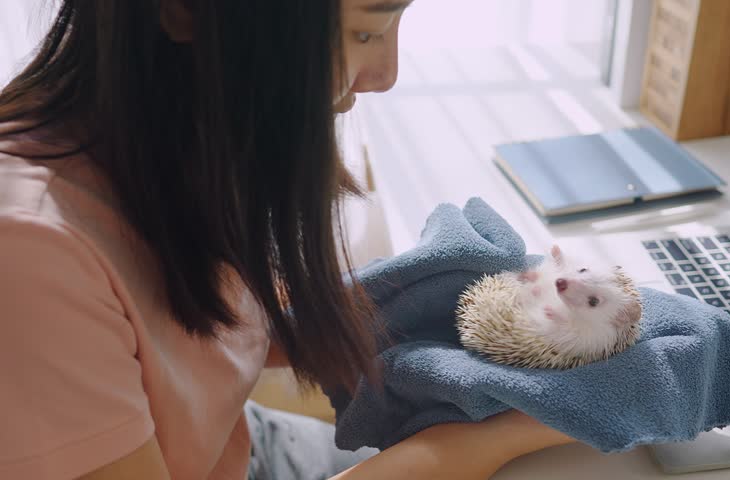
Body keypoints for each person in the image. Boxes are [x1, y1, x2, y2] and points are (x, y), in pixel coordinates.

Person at [0, 1, 574, 478]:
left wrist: (438, 308)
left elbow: (217, 332)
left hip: (243, 445)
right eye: (367, 31)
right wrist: (515, 429)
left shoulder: (172, 148)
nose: (385, 75)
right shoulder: (29, 256)